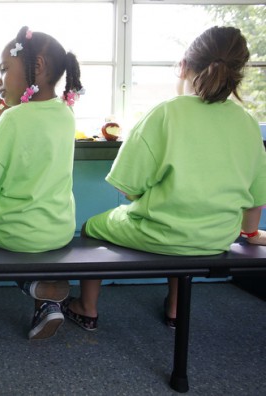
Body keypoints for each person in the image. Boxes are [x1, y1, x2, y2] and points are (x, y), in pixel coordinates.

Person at [70, 26, 266, 331]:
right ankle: (175, 309)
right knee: (184, 230)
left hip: (162, 233)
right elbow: (255, 203)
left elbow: (128, 188)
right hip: (216, 238)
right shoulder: (248, 123)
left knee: (91, 227)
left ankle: (87, 308)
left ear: (184, 67)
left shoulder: (164, 113)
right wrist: (251, 234)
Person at [0, 26, 83, 340]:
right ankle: (47, 304)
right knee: (29, 240)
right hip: (59, 229)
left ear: (36, 67)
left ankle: (31, 285)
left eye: (3, 70)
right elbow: (25, 119)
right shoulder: (64, 114)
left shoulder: (13, 120)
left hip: (16, 232)